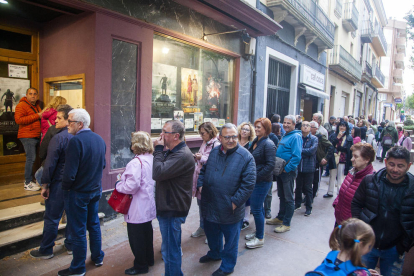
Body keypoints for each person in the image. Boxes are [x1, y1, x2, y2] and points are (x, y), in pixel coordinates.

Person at [197, 123, 256, 276]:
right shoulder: (215, 151)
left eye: (234, 136)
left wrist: (234, 203)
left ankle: (227, 266)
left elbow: (248, 185)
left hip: (230, 208)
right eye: (227, 137)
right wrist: (201, 185)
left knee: (230, 241)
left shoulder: (246, 157)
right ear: (220, 138)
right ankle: (215, 253)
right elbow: (203, 170)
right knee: (211, 233)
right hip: (210, 203)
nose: (231, 140)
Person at [352, 146, 414, 276]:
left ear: (409, 166)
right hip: (367, 246)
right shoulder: (370, 181)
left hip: (395, 249)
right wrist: (360, 232)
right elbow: (356, 204)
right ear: (385, 162)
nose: (395, 169)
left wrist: (404, 244)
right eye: (391, 164)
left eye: (400, 166)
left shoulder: (412, 189)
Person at [59, 109, 105, 276]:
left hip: (78, 192)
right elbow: (103, 165)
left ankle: (78, 267)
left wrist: (65, 188)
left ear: (80, 124)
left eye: (70, 121)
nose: (67, 125)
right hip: (94, 190)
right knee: (93, 225)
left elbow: (69, 173)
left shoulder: (75, 141)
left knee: (78, 229)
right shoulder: (99, 139)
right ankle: (98, 257)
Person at [29, 104, 73, 260]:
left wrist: (45, 185)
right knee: (72, 217)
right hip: (74, 185)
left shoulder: (59, 138)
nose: (55, 120)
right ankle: (70, 246)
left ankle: (46, 249)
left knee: (52, 218)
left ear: (69, 119)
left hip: (59, 184)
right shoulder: (79, 137)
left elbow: (49, 164)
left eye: (59, 117)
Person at [152, 120, 195, 276]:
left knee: (171, 251)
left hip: (172, 208)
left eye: (165, 132)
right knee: (170, 248)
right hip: (169, 206)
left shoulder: (181, 155)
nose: (161, 135)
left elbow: (157, 173)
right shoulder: (174, 151)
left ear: (176, 136)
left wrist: (157, 149)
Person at [115, 132, 156, 275]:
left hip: (137, 206)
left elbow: (131, 186)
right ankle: (149, 259)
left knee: (136, 237)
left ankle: (140, 265)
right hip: (148, 203)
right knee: (147, 233)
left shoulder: (135, 162)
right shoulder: (151, 158)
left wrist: (119, 184)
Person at [266, 115, 303, 233]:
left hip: (287, 172)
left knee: (288, 198)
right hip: (281, 171)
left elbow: (297, 156)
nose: (286, 125)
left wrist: (287, 168)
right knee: (281, 196)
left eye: (289, 123)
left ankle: (286, 223)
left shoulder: (296, 136)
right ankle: (280, 217)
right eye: (285, 122)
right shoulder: (286, 135)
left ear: (294, 124)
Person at [306, 218, 378, 276]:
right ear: (361, 244)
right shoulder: (360, 272)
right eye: (369, 246)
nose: (370, 249)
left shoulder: (331, 255)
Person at [245, 118, 276, 248]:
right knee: (258, 209)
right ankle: (259, 231)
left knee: (257, 209)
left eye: (260, 127)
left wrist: (256, 177)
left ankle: (260, 238)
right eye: (256, 127)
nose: (257, 129)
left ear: (266, 129)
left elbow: (270, 165)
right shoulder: (255, 142)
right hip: (255, 180)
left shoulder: (268, 144)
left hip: (262, 182)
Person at [332, 143, 375, 226]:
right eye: (352, 156)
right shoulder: (352, 172)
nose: (352, 159)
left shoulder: (371, 179)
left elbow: (369, 209)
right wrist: (336, 204)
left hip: (352, 228)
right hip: (340, 221)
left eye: (356, 156)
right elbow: (343, 191)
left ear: (367, 159)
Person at [191, 122, 220, 238]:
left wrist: (201, 158)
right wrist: (198, 157)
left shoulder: (216, 144)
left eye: (203, 133)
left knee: (209, 207)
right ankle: (202, 227)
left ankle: (211, 232)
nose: (201, 136)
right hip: (199, 177)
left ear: (210, 132)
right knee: (201, 205)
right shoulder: (204, 142)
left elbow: (214, 161)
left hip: (208, 180)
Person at [14, 87, 43, 191]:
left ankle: (32, 180)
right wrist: (37, 116)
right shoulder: (21, 105)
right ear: (26, 95)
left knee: (34, 159)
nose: (33, 96)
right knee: (31, 159)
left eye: (35, 94)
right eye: (30, 94)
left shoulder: (36, 105)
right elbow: (18, 120)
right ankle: (27, 182)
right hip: (27, 136)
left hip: (35, 135)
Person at [324, 120, 353, 198]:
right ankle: (330, 192)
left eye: (344, 126)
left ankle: (340, 193)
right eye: (341, 125)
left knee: (341, 177)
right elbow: (330, 146)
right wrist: (337, 138)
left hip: (343, 160)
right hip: (333, 158)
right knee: (332, 175)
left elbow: (349, 149)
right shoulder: (333, 135)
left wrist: (339, 148)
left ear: (346, 128)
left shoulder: (349, 137)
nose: (342, 127)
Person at [294, 121, 318, 216]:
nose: (305, 127)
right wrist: (301, 152)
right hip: (299, 166)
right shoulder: (298, 137)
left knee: (308, 188)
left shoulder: (314, 139)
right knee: (298, 186)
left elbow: (311, 151)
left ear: (310, 128)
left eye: (307, 125)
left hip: (309, 167)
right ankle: (297, 203)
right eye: (303, 125)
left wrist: (300, 151)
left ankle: (309, 207)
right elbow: (295, 149)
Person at [237, 122, 255, 230]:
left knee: (246, 198)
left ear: (250, 133)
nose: (244, 131)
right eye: (243, 128)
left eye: (247, 130)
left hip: (245, 174)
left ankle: (245, 219)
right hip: (235, 173)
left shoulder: (251, 144)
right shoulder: (235, 142)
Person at [310, 121, 334, 199]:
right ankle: (308, 196)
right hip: (309, 161)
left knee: (316, 180)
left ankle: (313, 195)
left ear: (316, 128)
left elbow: (330, 146)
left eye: (311, 127)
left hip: (317, 161)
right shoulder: (306, 136)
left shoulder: (320, 137)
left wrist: (326, 158)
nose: (309, 128)